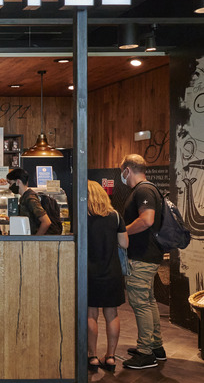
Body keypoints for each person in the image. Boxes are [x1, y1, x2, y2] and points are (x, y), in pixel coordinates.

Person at [120, 154, 165, 369]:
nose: (122, 175)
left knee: (140, 304)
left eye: (122, 171)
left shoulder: (143, 190)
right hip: (148, 255)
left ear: (127, 169)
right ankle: (156, 346)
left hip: (142, 256)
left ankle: (145, 352)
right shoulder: (147, 189)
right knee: (149, 301)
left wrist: (122, 232)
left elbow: (146, 220)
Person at [86, 180, 129, 372]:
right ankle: (111, 357)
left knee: (91, 314)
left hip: (89, 272)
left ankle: (92, 356)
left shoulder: (83, 216)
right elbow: (125, 244)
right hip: (112, 271)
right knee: (112, 314)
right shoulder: (116, 216)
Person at [6, 168, 52, 235]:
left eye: (10, 183)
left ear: (18, 182)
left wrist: (34, 240)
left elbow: (46, 222)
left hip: (31, 240)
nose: (10, 186)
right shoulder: (24, 197)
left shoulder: (30, 198)